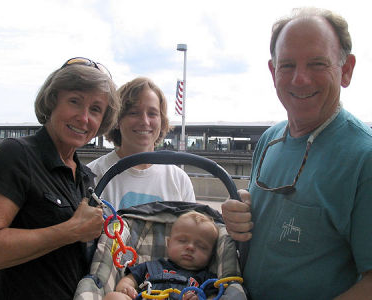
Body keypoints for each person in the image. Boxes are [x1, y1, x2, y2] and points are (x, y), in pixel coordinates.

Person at [222, 7, 372, 300]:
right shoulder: (268, 141)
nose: (300, 79)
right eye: (287, 65)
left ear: (347, 70)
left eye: (317, 63)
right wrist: (240, 213)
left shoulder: (364, 158)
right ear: (272, 71)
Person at [0, 57, 120, 299]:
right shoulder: (14, 155)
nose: (84, 118)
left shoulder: (85, 178)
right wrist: (70, 230)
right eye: (74, 101)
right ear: (52, 101)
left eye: (95, 109)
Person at [88, 77, 196, 210]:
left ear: (161, 121)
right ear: (117, 120)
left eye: (152, 114)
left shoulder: (179, 179)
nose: (145, 121)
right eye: (134, 113)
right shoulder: (93, 175)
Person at [103, 211, 220, 300]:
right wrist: (126, 288)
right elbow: (128, 280)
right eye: (183, 240)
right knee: (113, 296)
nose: (190, 247)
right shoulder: (150, 266)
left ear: (211, 254)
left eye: (201, 246)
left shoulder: (207, 279)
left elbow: (214, 296)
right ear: (169, 243)